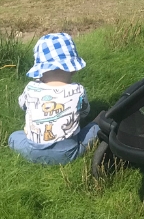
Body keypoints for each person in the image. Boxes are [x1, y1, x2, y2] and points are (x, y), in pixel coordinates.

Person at [9, 32, 98, 164]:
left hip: (33, 151)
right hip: (68, 153)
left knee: (13, 137)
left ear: (40, 70)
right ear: (73, 69)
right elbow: (85, 113)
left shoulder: (31, 88)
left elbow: (22, 105)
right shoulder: (78, 90)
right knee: (96, 127)